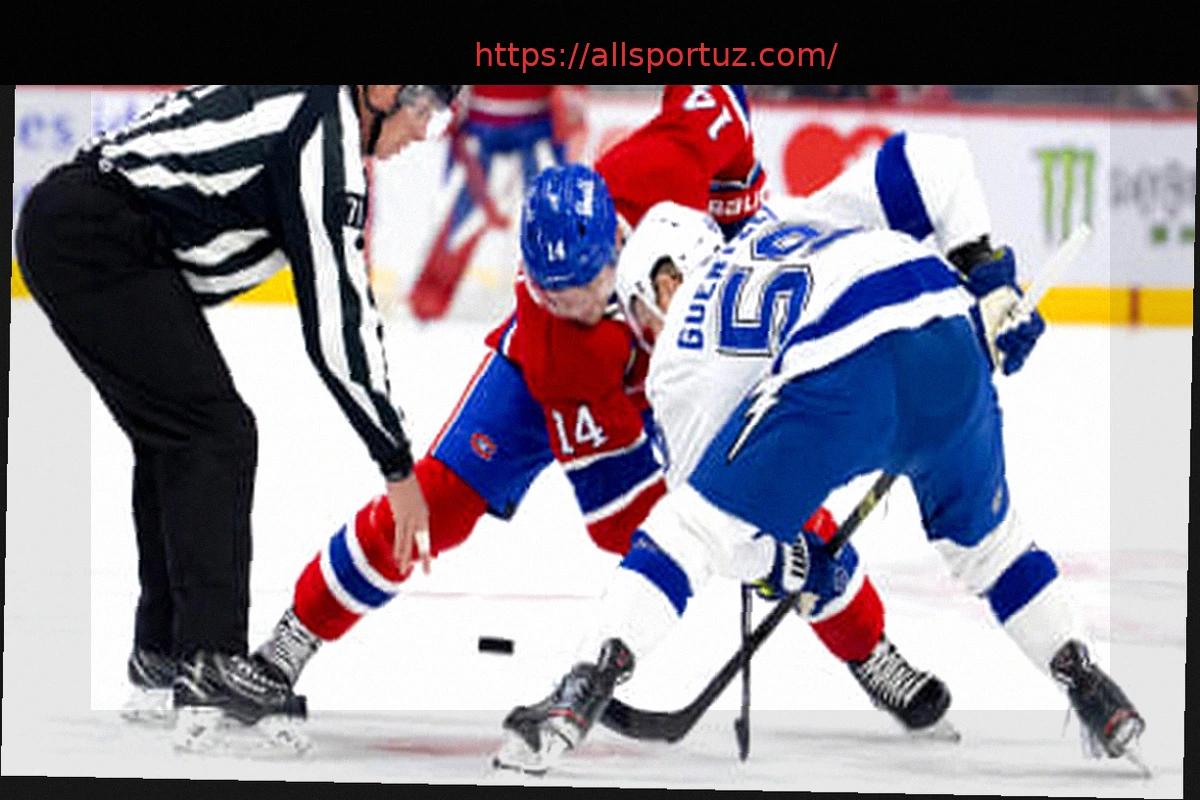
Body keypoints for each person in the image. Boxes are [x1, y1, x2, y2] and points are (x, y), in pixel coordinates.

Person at [251, 87, 952, 737]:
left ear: (617, 242)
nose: (574, 307)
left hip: (685, 348)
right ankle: (290, 641)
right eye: (552, 294)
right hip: (544, 391)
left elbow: (716, 98)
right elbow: (624, 522)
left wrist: (739, 202)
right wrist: (757, 558)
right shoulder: (561, 346)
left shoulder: (659, 168)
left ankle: (872, 650)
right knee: (436, 505)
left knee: (777, 487)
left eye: (584, 287)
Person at [491, 164, 1143, 775]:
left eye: (636, 312)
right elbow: (935, 164)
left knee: (685, 531)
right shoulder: (788, 218)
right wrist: (989, 286)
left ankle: (584, 684)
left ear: (663, 284)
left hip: (844, 372)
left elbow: (718, 535)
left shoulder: (678, 353)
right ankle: (1090, 683)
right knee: (992, 547)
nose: (641, 331)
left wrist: (787, 563)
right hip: (948, 322)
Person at [14, 84, 460, 747]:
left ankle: (165, 655)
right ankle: (211, 662)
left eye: (440, 118)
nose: (424, 131)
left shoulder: (311, 106)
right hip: (97, 236)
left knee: (175, 435)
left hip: (77, 223)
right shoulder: (325, 138)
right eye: (425, 110)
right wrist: (397, 465)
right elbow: (339, 327)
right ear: (386, 91)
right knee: (215, 434)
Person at [405, 85, 588, 321]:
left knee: (550, 220)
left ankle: (562, 301)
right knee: (462, 220)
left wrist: (571, 104)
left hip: (534, 127)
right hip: (487, 125)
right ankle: (428, 299)